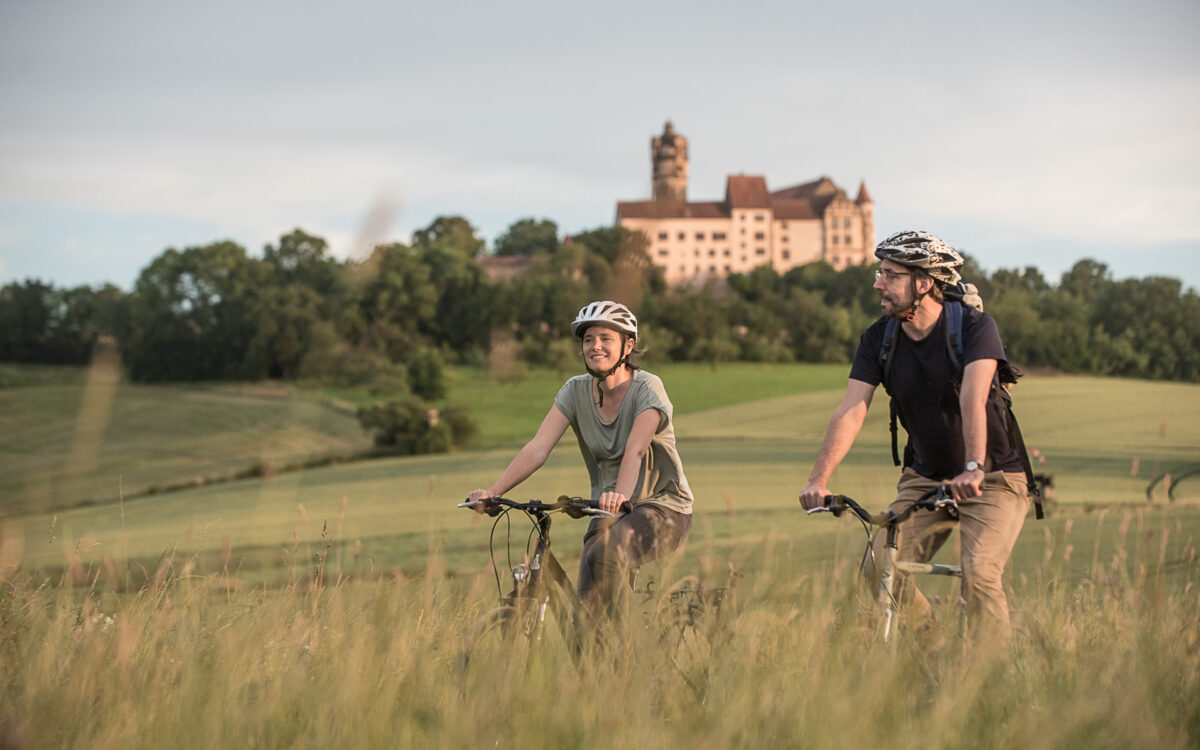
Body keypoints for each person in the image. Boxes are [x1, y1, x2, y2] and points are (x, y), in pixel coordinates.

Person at [798, 230, 1031, 638]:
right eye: (880, 272)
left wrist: (974, 468)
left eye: (890, 275)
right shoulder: (879, 338)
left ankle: (994, 681)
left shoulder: (976, 328)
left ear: (924, 284)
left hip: (993, 477)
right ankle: (932, 646)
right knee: (878, 569)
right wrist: (819, 480)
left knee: (979, 575)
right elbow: (852, 410)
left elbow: (973, 400)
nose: (878, 283)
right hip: (926, 476)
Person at [467, 300, 694, 614]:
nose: (595, 346)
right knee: (586, 611)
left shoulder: (648, 389)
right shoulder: (574, 391)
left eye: (605, 339)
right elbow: (537, 449)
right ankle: (592, 656)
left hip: (664, 509)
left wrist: (621, 497)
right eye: (588, 340)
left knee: (606, 554)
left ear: (628, 346)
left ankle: (632, 656)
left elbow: (636, 450)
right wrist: (494, 492)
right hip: (605, 511)